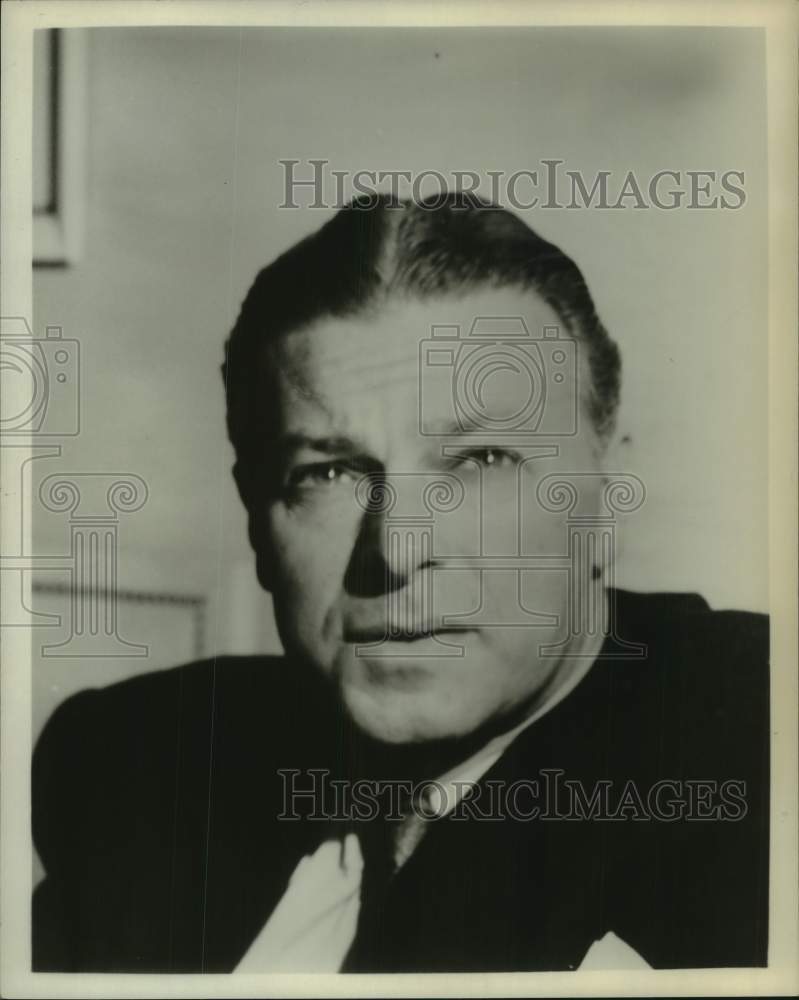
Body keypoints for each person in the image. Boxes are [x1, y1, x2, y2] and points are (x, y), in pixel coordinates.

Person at [32, 194, 769, 973]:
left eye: (481, 461)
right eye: (329, 472)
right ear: (256, 518)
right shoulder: (139, 764)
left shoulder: (749, 754)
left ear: (608, 495)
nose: (395, 549)